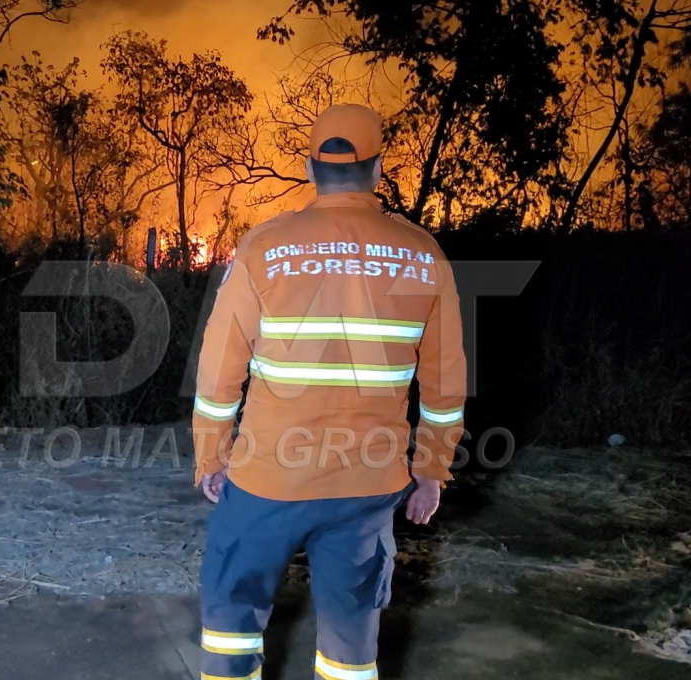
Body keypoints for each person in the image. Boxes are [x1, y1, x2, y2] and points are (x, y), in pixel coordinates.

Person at [191, 103, 467, 680]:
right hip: (366, 484)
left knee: (230, 617)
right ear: (379, 168)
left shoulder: (264, 247)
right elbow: (445, 385)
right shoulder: (423, 254)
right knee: (350, 644)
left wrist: (211, 455)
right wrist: (431, 470)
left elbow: (219, 370)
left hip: (268, 477)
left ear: (312, 168)